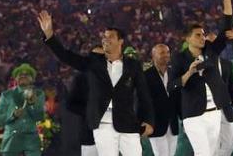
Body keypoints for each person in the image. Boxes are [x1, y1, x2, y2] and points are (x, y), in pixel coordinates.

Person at [38, 12, 154, 156]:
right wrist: (50, 35)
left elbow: (144, 95)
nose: (105, 40)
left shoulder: (133, 65)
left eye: (110, 37)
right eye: (104, 37)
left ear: (121, 41)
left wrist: (149, 120)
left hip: (127, 122)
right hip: (102, 125)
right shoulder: (93, 63)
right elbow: (66, 56)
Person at [170, 0, 233, 155]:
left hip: (214, 113)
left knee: (212, 152)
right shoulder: (179, 58)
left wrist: (227, 0)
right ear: (187, 39)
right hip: (193, 115)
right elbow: (172, 85)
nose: (203, 37)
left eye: (204, 34)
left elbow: (225, 29)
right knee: (203, 153)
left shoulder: (211, 52)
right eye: (198, 35)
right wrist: (189, 73)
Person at [0, 64, 45, 156]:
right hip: (11, 141)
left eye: (27, 74)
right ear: (15, 78)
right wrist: (12, 115)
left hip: (31, 142)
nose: (23, 75)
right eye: (20, 74)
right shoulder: (6, 95)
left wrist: (32, 105)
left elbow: (39, 117)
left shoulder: (39, 94)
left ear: (32, 79)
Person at [145, 44, 180, 156]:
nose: (166, 55)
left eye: (167, 52)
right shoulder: (145, 76)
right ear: (153, 56)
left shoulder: (174, 73)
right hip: (156, 125)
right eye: (162, 53)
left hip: (173, 124)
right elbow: (142, 101)